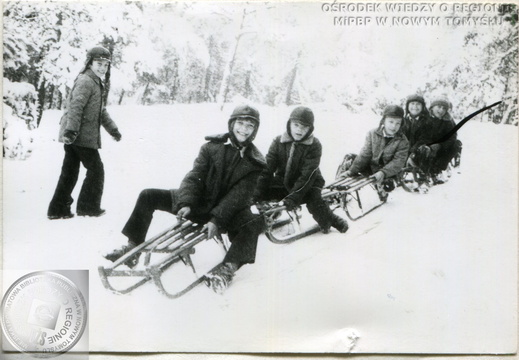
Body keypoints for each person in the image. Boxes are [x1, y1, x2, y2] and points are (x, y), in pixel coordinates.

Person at [105, 105, 267, 293]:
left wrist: (216, 220)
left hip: (226, 214)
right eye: (240, 122)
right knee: (148, 196)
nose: (244, 129)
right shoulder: (211, 147)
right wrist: (186, 203)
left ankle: (228, 269)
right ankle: (132, 248)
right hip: (199, 204)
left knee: (252, 222)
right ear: (232, 123)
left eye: (250, 125)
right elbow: (195, 176)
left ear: (255, 130)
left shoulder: (255, 162)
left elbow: (238, 196)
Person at [47, 46, 121, 219]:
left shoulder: (94, 81)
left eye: (105, 65)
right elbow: (76, 107)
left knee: (70, 172)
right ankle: (87, 207)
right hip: (79, 135)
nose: (102, 67)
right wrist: (71, 131)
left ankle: (57, 209)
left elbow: (100, 111)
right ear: (90, 63)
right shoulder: (87, 81)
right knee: (96, 170)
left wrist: (113, 129)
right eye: (99, 63)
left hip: (76, 135)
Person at [253, 106, 349, 234]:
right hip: (284, 180)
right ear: (289, 124)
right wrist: (256, 193)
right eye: (296, 125)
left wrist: (293, 198)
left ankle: (332, 220)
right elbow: (267, 169)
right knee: (261, 189)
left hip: (310, 183)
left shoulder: (314, 145)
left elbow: (307, 176)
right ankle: (264, 218)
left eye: (304, 126)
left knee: (314, 202)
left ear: (310, 129)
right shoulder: (278, 142)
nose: (299, 129)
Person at [336, 105, 409, 200]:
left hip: (389, 173)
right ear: (383, 121)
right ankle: (338, 189)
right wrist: (351, 171)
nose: (394, 126)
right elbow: (365, 154)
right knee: (349, 158)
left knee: (388, 186)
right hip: (371, 167)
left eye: (398, 123)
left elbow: (398, 162)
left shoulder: (403, 141)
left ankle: (382, 190)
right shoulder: (373, 134)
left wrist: (383, 173)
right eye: (390, 122)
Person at [427, 96, 462, 183]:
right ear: (432, 107)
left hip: (441, 146)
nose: (441, 110)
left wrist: (440, 145)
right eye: (439, 107)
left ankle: (438, 169)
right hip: (426, 144)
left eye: (444, 108)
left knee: (456, 144)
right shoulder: (425, 118)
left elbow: (452, 137)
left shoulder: (448, 121)